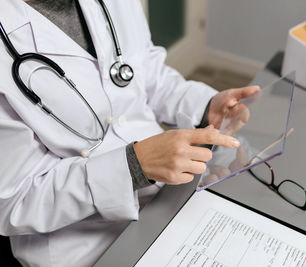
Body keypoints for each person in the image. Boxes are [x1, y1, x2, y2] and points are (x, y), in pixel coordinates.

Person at [0, 0, 260, 266]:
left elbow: (146, 74)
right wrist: (133, 166)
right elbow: (15, 201)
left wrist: (205, 106)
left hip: (168, 196)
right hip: (87, 246)